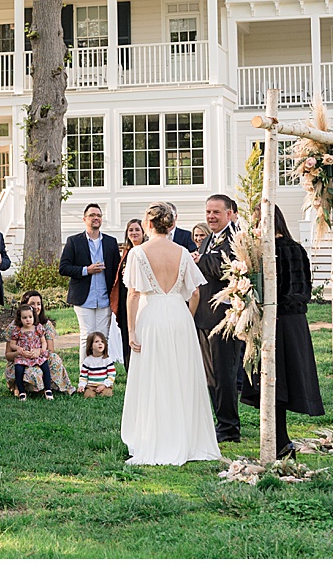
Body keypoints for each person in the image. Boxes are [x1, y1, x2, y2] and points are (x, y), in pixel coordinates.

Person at [120, 202, 220, 464]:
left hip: (151, 316)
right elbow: (195, 292)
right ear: (171, 225)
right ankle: (186, 436)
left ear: (149, 224)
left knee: (153, 374)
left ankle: (153, 435)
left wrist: (131, 330)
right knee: (181, 374)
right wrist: (186, 315)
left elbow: (132, 294)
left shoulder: (138, 254)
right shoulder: (183, 252)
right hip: (178, 315)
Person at [243, 207, 327, 459]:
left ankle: (280, 440)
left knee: (274, 381)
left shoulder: (268, 253)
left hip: (277, 321)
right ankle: (280, 438)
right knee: (282, 381)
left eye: (255, 223)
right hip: (294, 322)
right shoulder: (298, 249)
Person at [195, 194, 245, 444]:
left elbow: (226, 269)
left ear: (229, 213)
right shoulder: (209, 239)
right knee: (211, 376)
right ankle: (220, 421)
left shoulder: (236, 238)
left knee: (225, 375)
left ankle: (229, 427)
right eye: (208, 212)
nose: (211, 217)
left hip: (224, 318)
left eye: (216, 212)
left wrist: (200, 259)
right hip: (204, 315)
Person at [60, 204, 120, 363]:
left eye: (99, 215)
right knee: (86, 336)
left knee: (102, 337)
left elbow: (116, 270)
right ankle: (84, 377)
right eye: (92, 215)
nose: (96, 218)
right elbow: (63, 268)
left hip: (104, 297)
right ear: (85, 219)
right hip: (83, 297)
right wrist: (87, 270)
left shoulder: (111, 242)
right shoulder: (74, 241)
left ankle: (101, 374)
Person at [1, 289, 72, 395]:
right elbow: (8, 355)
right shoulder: (14, 326)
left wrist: (39, 351)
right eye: (32, 303)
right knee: (34, 372)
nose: (36, 307)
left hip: (40, 357)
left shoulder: (45, 324)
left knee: (55, 359)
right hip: (21, 360)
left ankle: (50, 387)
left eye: (38, 304)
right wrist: (20, 353)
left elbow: (50, 350)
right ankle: (21, 387)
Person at [4, 305, 56, 398]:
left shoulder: (38, 328)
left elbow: (43, 341)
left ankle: (48, 389)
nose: (28, 320)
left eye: (30, 317)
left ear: (34, 317)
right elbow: (12, 344)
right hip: (23, 355)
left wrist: (42, 350)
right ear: (20, 319)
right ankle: (21, 391)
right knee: (19, 369)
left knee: (45, 368)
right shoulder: (18, 330)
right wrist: (18, 349)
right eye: (24, 318)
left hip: (37, 354)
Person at [114, 218, 145, 368]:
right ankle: (129, 368)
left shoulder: (146, 250)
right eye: (130, 230)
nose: (133, 233)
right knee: (127, 333)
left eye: (137, 230)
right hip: (125, 298)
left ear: (144, 232)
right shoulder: (127, 252)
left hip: (141, 299)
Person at [77, 330, 118, 397]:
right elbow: (83, 376)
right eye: (96, 342)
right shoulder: (87, 361)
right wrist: (81, 386)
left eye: (102, 342)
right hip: (91, 386)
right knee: (88, 395)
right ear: (90, 346)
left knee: (107, 394)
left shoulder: (107, 360)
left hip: (104, 385)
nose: (100, 343)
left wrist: (104, 385)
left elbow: (112, 375)